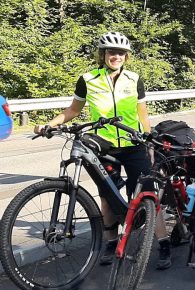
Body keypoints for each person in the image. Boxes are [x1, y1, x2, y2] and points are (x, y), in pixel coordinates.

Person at [33, 32, 174, 270]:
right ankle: (111, 242)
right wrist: (50, 124)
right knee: (107, 198)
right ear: (103, 54)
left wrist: (149, 142)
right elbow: (73, 110)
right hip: (104, 145)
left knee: (147, 196)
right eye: (111, 52)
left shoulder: (134, 79)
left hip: (133, 144)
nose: (115, 56)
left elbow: (142, 114)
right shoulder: (88, 79)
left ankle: (163, 243)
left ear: (126, 56)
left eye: (120, 53)